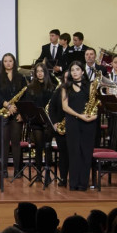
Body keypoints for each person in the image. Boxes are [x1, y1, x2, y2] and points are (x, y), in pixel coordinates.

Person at [62, 61, 98, 191]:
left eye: (77, 69)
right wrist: (79, 115)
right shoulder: (66, 86)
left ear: (83, 71)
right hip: (72, 122)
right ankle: (73, 183)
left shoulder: (90, 86)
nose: (75, 72)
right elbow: (65, 106)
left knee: (86, 153)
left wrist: (93, 116)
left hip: (88, 123)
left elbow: (95, 105)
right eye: (72, 70)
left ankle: (83, 184)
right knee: (74, 152)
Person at [0, 53, 28, 178]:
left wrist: (20, 112)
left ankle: (18, 170)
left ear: (14, 62)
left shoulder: (21, 77)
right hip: (2, 112)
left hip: (17, 113)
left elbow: (25, 96)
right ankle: (3, 170)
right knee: (3, 142)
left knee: (16, 142)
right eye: (5, 61)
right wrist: (7, 105)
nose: (8, 63)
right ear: (3, 63)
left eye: (10, 61)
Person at [24, 63, 56, 178]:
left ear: (45, 73)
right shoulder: (31, 88)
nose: (40, 73)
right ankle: (38, 173)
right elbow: (29, 105)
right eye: (37, 71)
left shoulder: (52, 87)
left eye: (42, 71)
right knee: (38, 146)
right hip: (36, 121)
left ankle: (47, 173)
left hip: (48, 121)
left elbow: (54, 106)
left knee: (47, 147)